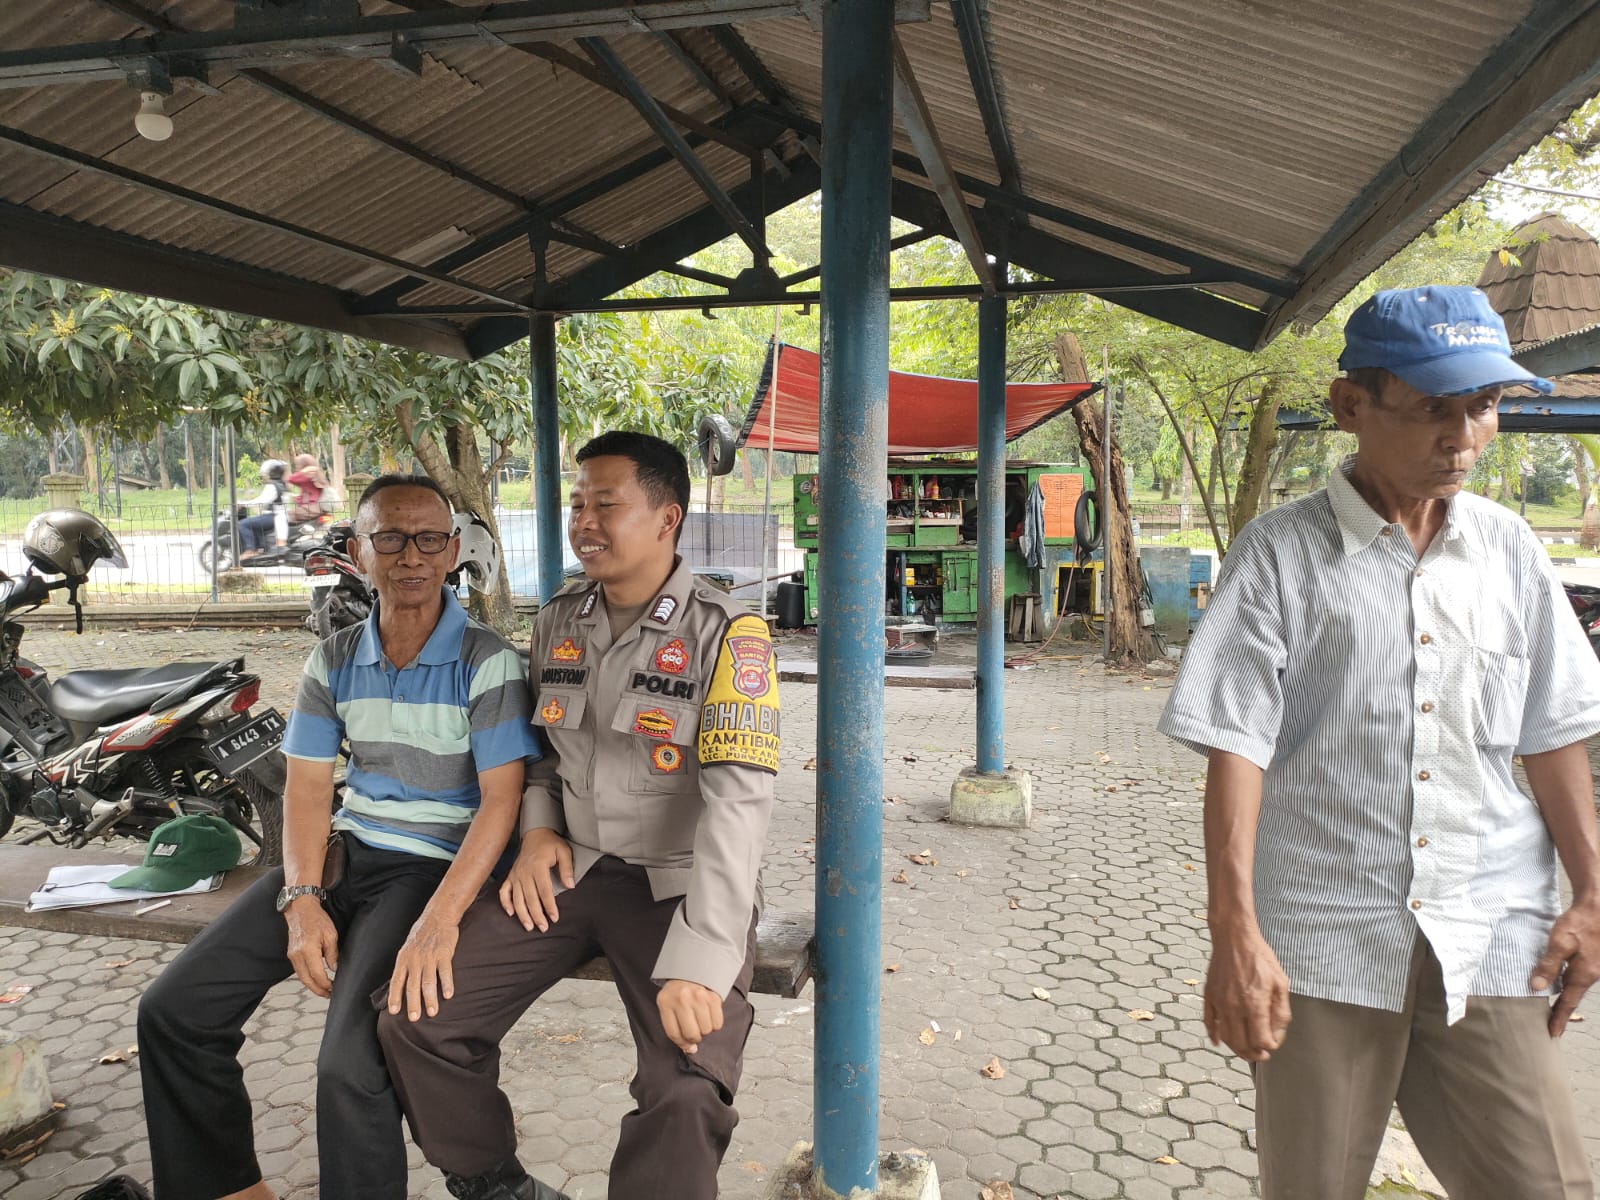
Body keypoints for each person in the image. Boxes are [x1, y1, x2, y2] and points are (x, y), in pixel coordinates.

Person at [1158, 285, 1600, 1200]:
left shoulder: (1511, 551)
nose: (1463, 438)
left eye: (1483, 406)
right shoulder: (1278, 556)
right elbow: (1237, 749)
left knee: (1545, 1183)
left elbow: (1552, 731)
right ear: (1350, 405)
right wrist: (1233, 932)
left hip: (1491, 931)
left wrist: (1593, 892)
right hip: (1325, 939)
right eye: (1434, 408)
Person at [379, 432, 780, 1200]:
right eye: (577, 504)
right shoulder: (559, 619)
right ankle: (494, 1182)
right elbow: (540, 756)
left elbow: (739, 808)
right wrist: (536, 833)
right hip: (571, 871)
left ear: (666, 519)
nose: (584, 522)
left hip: (681, 889)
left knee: (687, 1088)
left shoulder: (728, 636)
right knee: (418, 1017)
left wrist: (703, 965)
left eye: (606, 504)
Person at [137, 473, 542, 1200]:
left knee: (349, 1067)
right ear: (358, 553)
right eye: (391, 538)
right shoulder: (334, 658)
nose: (411, 555)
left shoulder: (487, 661)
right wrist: (300, 899)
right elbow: (307, 789)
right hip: (341, 860)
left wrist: (439, 922)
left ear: (454, 552)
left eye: (429, 539)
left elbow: (500, 804)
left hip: (430, 871)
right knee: (174, 1011)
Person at [238, 458, 289, 561]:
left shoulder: (272, 486)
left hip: (272, 516)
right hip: (279, 516)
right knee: (255, 523)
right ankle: (260, 548)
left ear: (270, 473)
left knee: (243, 524)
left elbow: (261, 501)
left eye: (266, 473)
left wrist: (242, 503)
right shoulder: (282, 484)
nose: (264, 476)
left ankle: (249, 550)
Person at [288, 453, 331, 525]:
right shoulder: (317, 473)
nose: (296, 467)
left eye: (298, 465)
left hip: (310, 508)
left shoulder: (308, 474)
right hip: (318, 508)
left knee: (286, 516)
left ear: (303, 465)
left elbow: (291, 479)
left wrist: (304, 471)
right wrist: (297, 498)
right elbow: (311, 491)